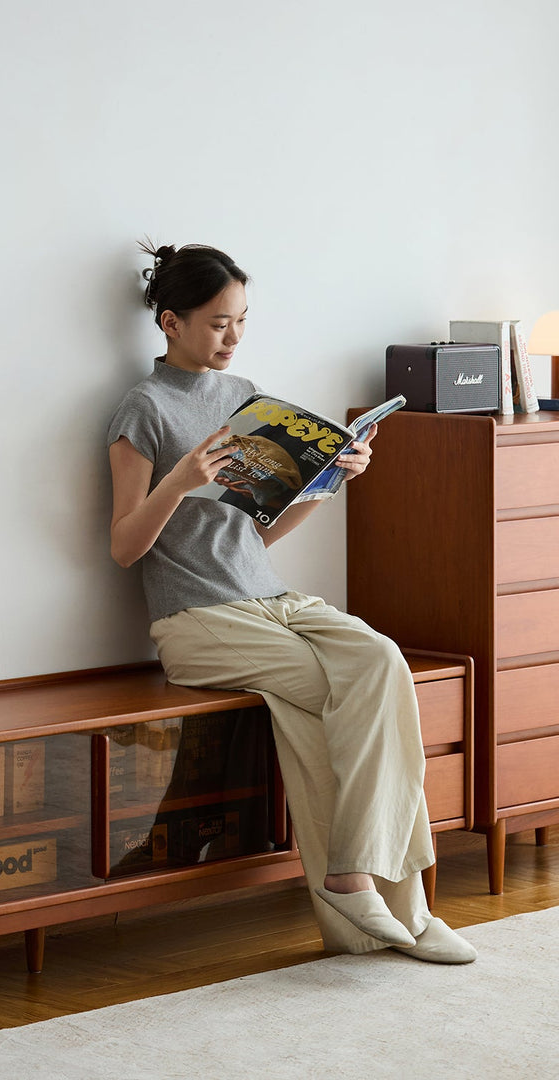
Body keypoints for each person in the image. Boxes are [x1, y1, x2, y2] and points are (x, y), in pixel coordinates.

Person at [106, 241, 476, 963]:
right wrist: (178, 481)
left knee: (381, 664)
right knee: (340, 702)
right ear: (171, 322)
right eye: (218, 323)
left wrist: (331, 481)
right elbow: (124, 546)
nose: (233, 337)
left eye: (241, 320)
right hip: (197, 620)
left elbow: (260, 530)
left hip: (270, 598)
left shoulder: (245, 397)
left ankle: (356, 894)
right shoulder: (141, 410)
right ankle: (404, 903)